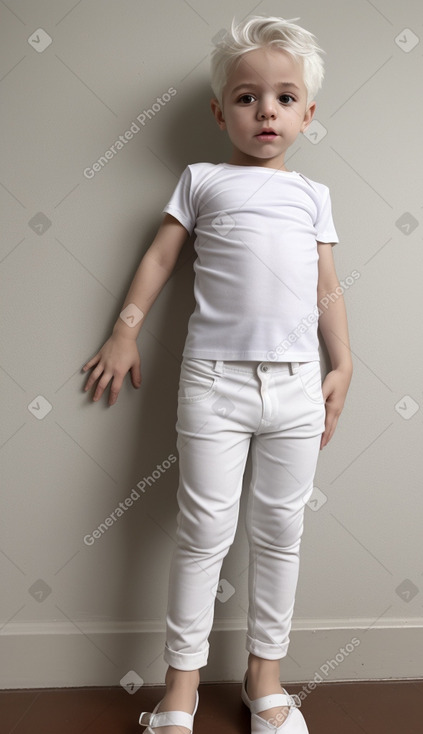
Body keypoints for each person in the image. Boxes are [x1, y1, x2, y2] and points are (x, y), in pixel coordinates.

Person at [82, 14, 352, 734]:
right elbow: (161, 260)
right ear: (219, 110)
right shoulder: (201, 181)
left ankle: (265, 680)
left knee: (279, 532)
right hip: (213, 383)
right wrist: (123, 334)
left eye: (284, 97)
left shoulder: (312, 196)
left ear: (306, 114)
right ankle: (181, 687)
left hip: (296, 384)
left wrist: (345, 362)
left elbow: (327, 286)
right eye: (246, 97)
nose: (266, 110)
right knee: (203, 531)